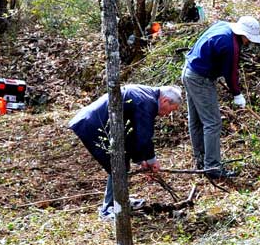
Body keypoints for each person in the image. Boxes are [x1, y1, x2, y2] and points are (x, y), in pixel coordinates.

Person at [69, 85, 183, 221]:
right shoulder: (147, 102)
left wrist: (142, 161)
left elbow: (134, 135)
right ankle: (108, 209)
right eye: (172, 110)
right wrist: (152, 161)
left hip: (95, 122)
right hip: (93, 124)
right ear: (165, 101)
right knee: (118, 166)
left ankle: (121, 201)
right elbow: (143, 136)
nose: (169, 114)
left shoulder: (147, 96)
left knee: (121, 162)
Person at [182, 16, 260, 177]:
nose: (249, 43)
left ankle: (202, 161)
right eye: (249, 39)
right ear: (244, 35)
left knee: (197, 120)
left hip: (189, 71)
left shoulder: (223, 26)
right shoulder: (230, 45)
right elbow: (231, 72)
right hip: (199, 78)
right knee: (212, 123)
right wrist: (237, 94)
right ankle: (212, 167)